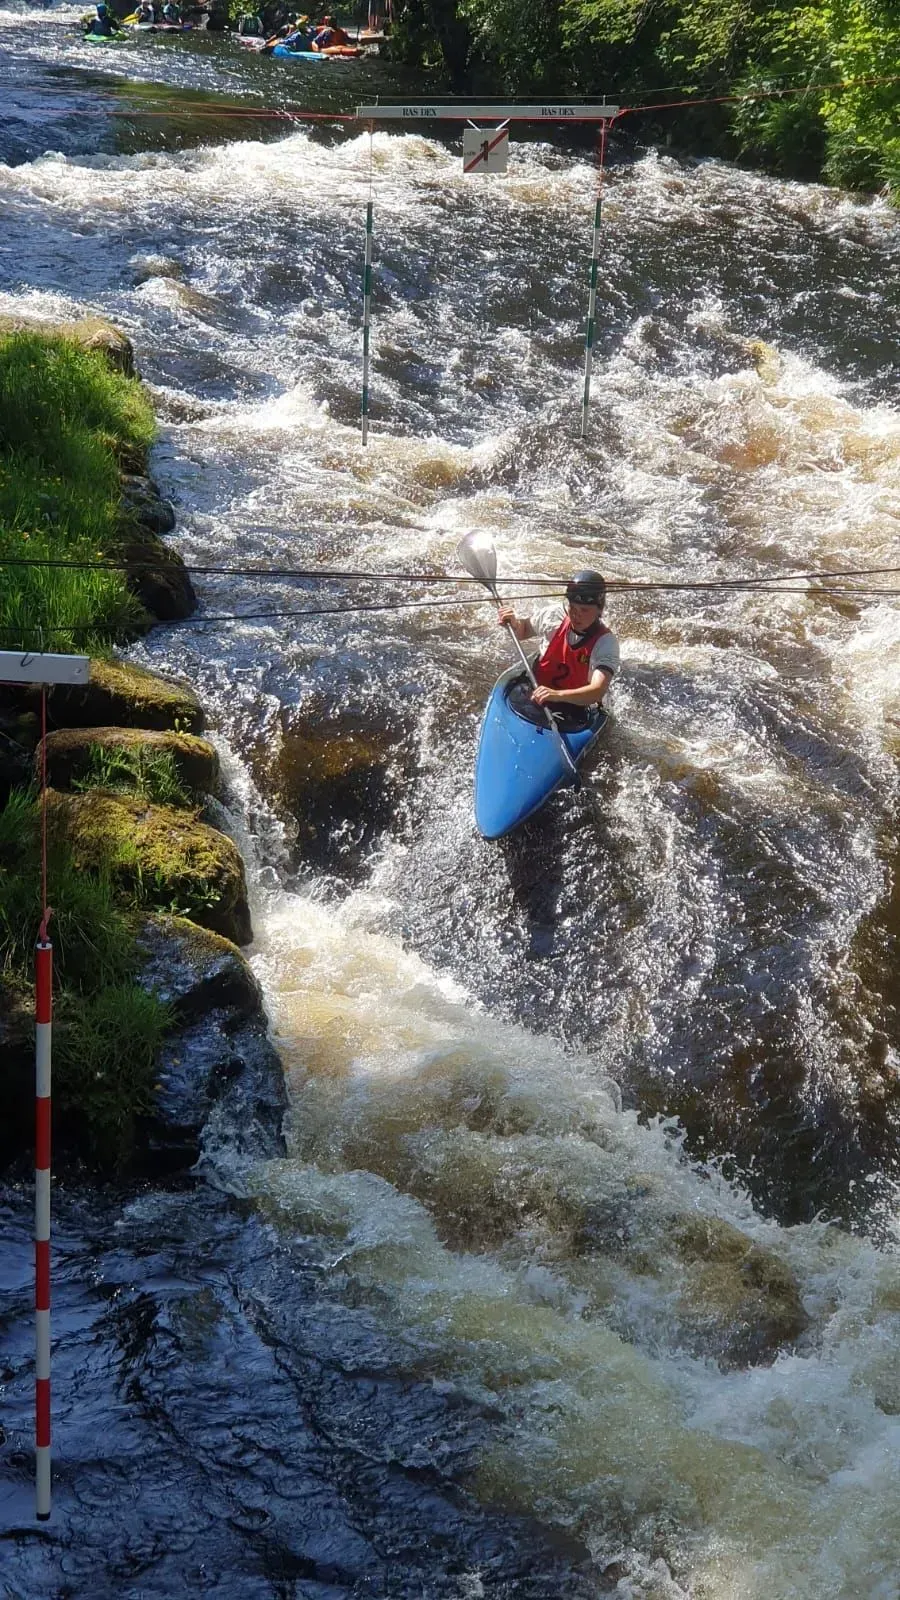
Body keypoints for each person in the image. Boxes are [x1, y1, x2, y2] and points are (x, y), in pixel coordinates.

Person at [498, 569, 619, 712]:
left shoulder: (606, 643)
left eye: (584, 610)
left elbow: (597, 690)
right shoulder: (554, 616)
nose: (576, 615)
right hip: (536, 691)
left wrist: (556, 695)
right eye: (572, 607)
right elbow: (523, 630)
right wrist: (514, 624)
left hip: (576, 708)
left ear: (599, 610)